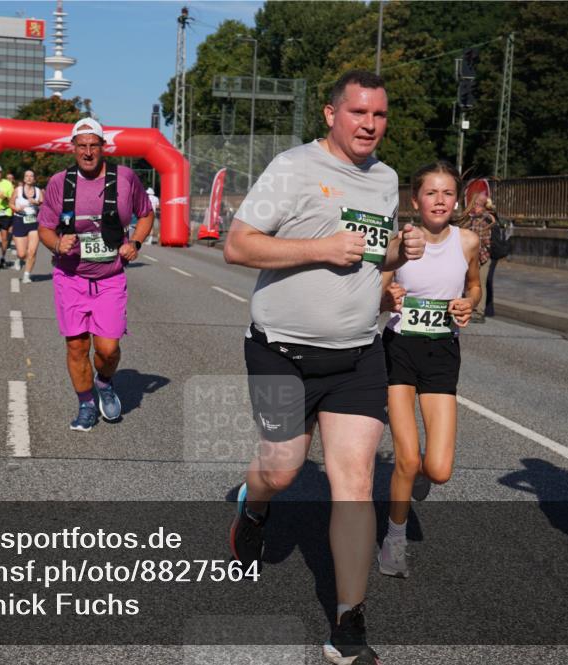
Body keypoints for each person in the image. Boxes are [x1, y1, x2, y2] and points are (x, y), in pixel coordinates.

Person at [222, 69, 425, 665]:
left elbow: (372, 253)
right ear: (332, 115)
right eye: (358, 112)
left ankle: (347, 626)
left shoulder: (385, 179)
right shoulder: (293, 167)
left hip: (358, 357)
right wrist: (321, 248)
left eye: (379, 115)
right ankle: (254, 503)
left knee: (356, 484)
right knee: (282, 470)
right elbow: (238, 244)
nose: (370, 124)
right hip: (279, 352)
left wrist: (400, 252)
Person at [376, 161, 480, 579]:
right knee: (406, 458)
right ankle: (394, 542)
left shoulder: (467, 241)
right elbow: (377, 293)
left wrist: (469, 304)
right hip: (399, 348)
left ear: (457, 201)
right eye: (431, 193)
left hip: (442, 351)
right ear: (415, 200)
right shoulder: (400, 242)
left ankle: (417, 473)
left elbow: (474, 285)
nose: (440, 200)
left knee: (438, 469)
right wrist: (387, 298)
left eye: (448, 193)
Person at [38, 118, 154, 431]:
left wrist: (136, 243)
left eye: (93, 145)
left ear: (103, 147)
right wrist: (57, 243)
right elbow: (45, 228)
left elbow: (146, 214)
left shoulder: (125, 178)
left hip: (110, 278)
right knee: (77, 346)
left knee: (108, 349)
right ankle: (86, 403)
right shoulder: (59, 183)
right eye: (82, 146)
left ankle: (104, 381)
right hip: (71, 277)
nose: (87, 152)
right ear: (73, 148)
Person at [457, 180, 495, 323]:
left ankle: (479, 312)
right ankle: (469, 307)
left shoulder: (487, 219)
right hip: (472, 256)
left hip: (483, 257)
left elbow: (486, 241)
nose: (475, 207)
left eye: (478, 204)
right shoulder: (471, 218)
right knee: (469, 282)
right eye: (475, 204)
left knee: (480, 284)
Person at [10, 169, 43, 284]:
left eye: (31, 176)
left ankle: (27, 275)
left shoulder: (38, 191)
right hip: (19, 220)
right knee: (22, 253)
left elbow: (44, 205)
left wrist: (37, 203)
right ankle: (19, 259)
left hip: (33, 221)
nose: (29, 178)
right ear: (24, 179)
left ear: (34, 179)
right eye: (27, 176)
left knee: (32, 251)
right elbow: (10, 203)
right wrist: (16, 208)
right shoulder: (18, 190)